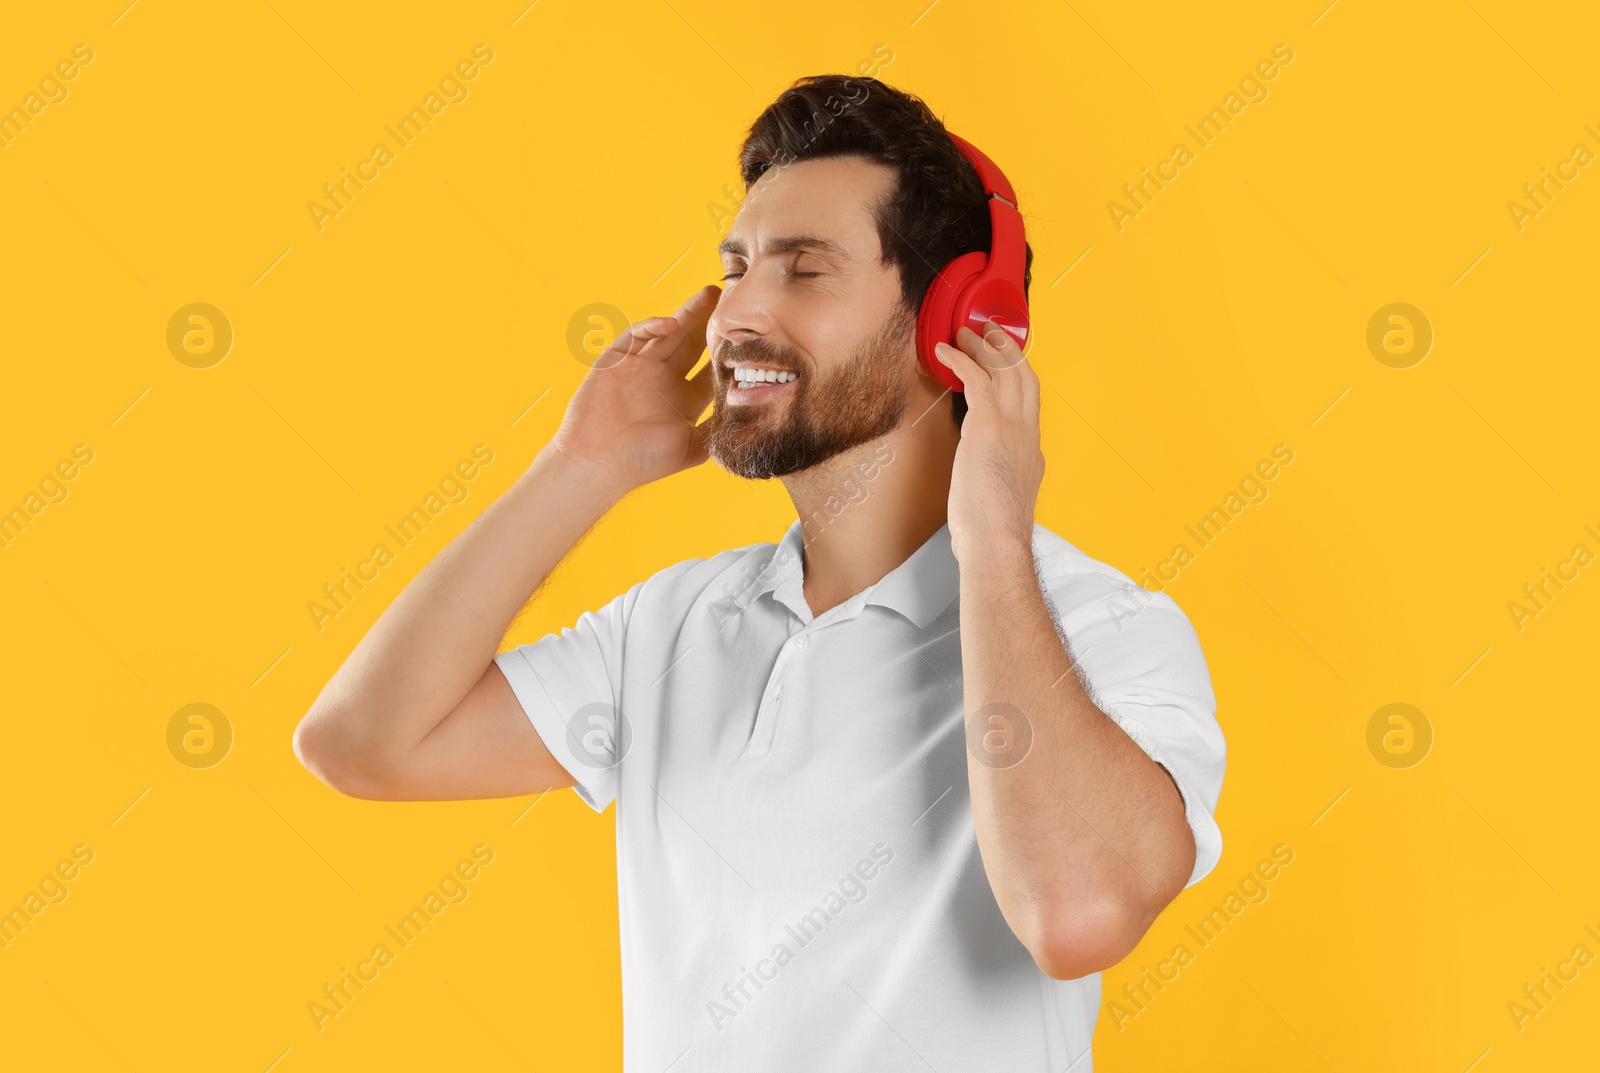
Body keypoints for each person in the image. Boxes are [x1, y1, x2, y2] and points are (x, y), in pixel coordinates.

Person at [293, 74, 1226, 1071]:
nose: (737, 311)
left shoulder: (1104, 626)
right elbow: (361, 743)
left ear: (952, 321)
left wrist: (993, 544)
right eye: (735, 267)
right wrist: (580, 468)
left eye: (803, 270)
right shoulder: (674, 626)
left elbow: (1077, 915)